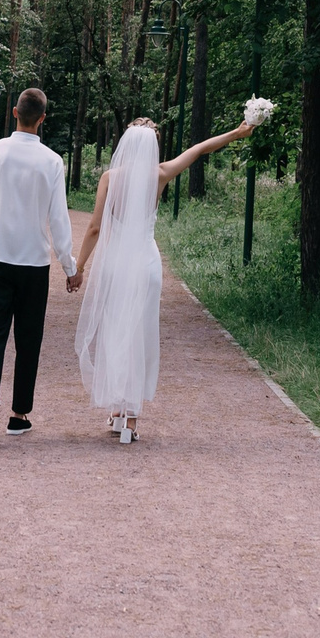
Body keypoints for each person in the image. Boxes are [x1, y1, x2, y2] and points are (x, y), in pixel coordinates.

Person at [72, 114, 255, 444]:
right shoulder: (160, 174)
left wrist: (79, 267)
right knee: (140, 334)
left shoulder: (110, 178)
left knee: (117, 331)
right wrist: (238, 132)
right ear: (153, 146)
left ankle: (116, 410)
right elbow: (199, 149)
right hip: (146, 263)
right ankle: (130, 419)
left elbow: (95, 228)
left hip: (116, 264)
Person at [0, 87, 76, 446]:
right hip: (34, 264)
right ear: (43, 118)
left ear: (14, 113)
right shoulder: (53, 162)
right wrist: (70, 267)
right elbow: (59, 220)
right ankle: (19, 415)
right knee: (29, 340)